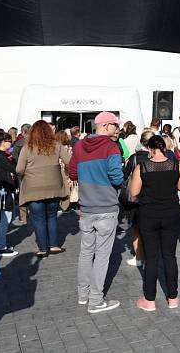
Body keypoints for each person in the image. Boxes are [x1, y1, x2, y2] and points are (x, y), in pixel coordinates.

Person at [69, 111, 124, 313]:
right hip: (106, 207)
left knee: (86, 251)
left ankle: (83, 294)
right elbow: (117, 178)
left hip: (86, 206)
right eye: (115, 126)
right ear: (106, 125)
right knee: (102, 255)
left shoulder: (79, 146)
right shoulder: (111, 147)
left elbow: (72, 172)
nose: (117, 129)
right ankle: (95, 299)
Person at [130, 135, 180, 311]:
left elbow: (133, 192)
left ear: (150, 149)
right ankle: (173, 298)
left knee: (152, 257)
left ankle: (149, 300)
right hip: (171, 213)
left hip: (149, 215)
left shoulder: (143, 167)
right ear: (163, 148)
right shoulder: (176, 164)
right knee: (170, 256)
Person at [16, 120, 69, 258]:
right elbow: (69, 160)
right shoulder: (56, 145)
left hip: (33, 188)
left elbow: (19, 169)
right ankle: (54, 245)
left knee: (38, 218)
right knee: (51, 216)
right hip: (54, 186)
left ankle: (43, 248)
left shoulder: (27, 148)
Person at [123, 130, 155, 266]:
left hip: (136, 198)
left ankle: (139, 257)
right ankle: (151, 256)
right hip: (153, 197)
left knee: (136, 228)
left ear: (141, 142)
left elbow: (124, 176)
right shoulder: (156, 158)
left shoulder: (134, 158)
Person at [0, 132, 18, 256]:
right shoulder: (0, 156)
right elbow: (14, 169)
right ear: (3, 142)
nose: (10, 143)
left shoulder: (1, 155)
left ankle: (0, 243)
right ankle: (1, 246)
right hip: (3, 191)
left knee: (6, 218)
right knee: (5, 218)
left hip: (5, 189)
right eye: (9, 141)